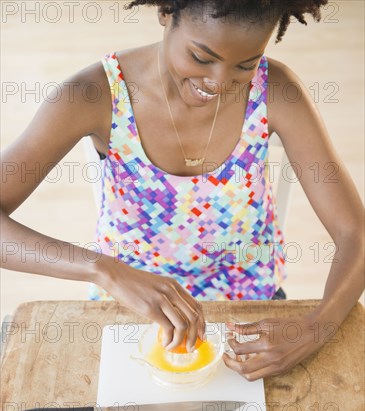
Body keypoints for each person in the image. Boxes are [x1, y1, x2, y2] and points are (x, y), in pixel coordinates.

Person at [1, 1, 364, 380]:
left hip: (250, 312)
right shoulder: (94, 94)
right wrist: (103, 270)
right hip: (132, 308)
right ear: (165, 13)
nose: (219, 83)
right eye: (201, 57)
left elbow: (356, 233)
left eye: (245, 64)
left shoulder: (278, 91)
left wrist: (318, 327)